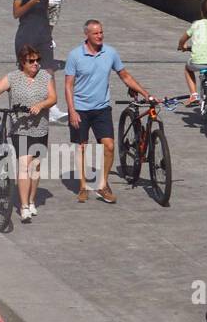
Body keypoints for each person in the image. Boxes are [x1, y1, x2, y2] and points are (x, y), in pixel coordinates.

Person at [63, 20, 152, 205]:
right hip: (80, 108)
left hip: (102, 108)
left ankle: (102, 184)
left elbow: (125, 75)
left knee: (109, 146)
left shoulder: (110, 52)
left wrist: (146, 94)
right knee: (81, 147)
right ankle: (82, 186)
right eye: (96, 33)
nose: (100, 36)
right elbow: (68, 85)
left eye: (101, 32)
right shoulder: (75, 55)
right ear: (86, 35)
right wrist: (71, 111)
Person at [0, 46, 57, 224]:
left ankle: (32, 201)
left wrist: (41, 105)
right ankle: (24, 206)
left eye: (37, 60)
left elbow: (53, 98)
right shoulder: (13, 77)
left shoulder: (45, 76)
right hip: (21, 128)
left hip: (40, 128)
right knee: (25, 165)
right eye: (31, 61)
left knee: (35, 167)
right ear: (22, 62)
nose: (35, 64)